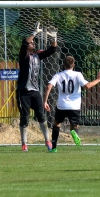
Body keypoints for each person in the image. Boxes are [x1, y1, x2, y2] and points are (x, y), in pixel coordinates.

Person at [44, 56, 100, 152]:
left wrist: (45, 101)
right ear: (74, 65)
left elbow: (48, 86)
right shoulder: (77, 75)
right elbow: (87, 86)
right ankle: (74, 132)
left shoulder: (58, 75)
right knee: (74, 125)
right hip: (74, 106)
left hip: (62, 105)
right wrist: (98, 79)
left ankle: (54, 147)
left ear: (63, 64)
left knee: (57, 124)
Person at [16, 22, 58, 152]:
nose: (33, 43)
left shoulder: (37, 56)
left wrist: (53, 38)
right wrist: (35, 33)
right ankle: (24, 144)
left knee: (41, 115)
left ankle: (47, 141)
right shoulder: (23, 56)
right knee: (25, 117)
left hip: (35, 92)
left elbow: (52, 49)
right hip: (23, 92)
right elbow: (25, 43)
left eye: (33, 42)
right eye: (31, 43)